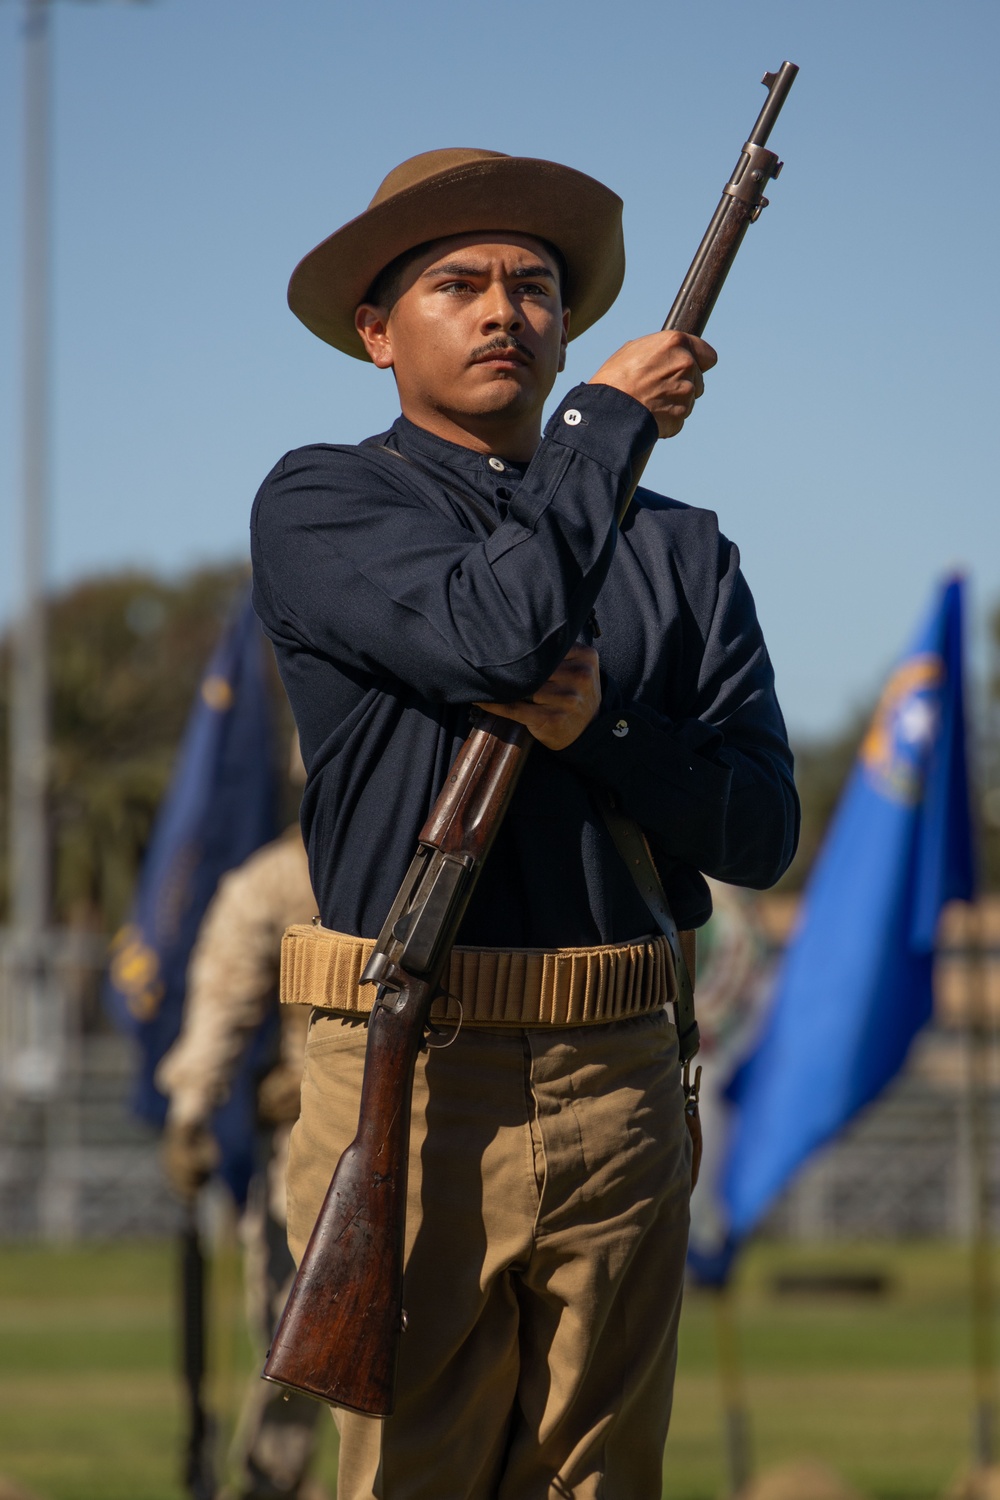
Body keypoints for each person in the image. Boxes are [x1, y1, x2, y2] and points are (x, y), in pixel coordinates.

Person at [250, 147, 799, 1500]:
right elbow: (501, 627)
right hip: (417, 1059)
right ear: (378, 333)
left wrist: (602, 733)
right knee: (416, 1473)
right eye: (460, 284)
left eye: (536, 286)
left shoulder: (684, 553)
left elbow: (761, 829)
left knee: (599, 1481)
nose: (507, 309)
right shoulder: (325, 504)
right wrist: (598, 430)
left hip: (619, 1065)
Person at [157, 823, 327, 1500]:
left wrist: (193, 1109)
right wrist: (191, 1109)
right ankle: (272, 1482)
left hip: (432, 1125)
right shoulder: (281, 878)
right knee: (298, 1337)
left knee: (303, 1336)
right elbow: (225, 992)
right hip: (321, 1140)